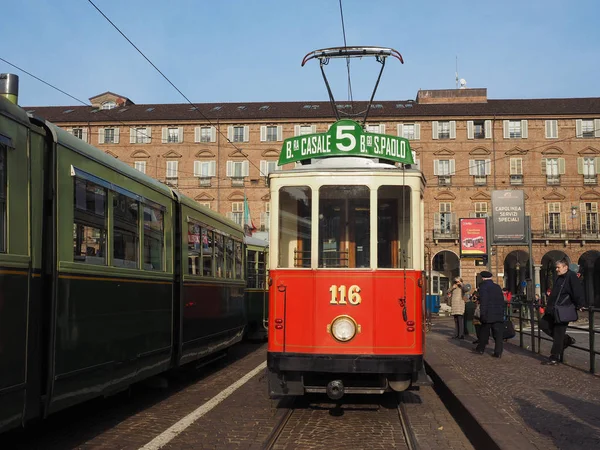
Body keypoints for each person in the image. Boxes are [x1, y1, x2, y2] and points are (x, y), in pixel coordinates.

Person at [539, 258, 585, 365]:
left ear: (565, 267)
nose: (556, 269)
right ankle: (566, 340)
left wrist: (580, 304)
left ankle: (554, 357)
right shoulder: (560, 277)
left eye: (558, 267)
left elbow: (577, 291)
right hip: (553, 309)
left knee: (559, 333)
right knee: (543, 324)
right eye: (556, 267)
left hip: (563, 309)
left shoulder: (571, 276)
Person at [474, 271, 505, 358]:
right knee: (498, 334)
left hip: (488, 313)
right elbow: (502, 301)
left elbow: (484, 301)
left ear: (483, 278)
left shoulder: (483, 286)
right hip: (498, 313)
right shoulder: (497, 287)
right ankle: (498, 352)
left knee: (484, 332)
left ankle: (480, 349)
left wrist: (482, 314)